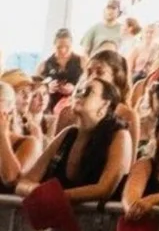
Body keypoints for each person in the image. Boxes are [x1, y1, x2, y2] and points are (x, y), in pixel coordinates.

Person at [16, 76, 132, 205]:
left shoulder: (119, 135)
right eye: (79, 90)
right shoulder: (67, 134)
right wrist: (38, 191)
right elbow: (23, 183)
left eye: (89, 91)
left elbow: (105, 188)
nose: (80, 95)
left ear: (105, 104)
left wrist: (56, 196)